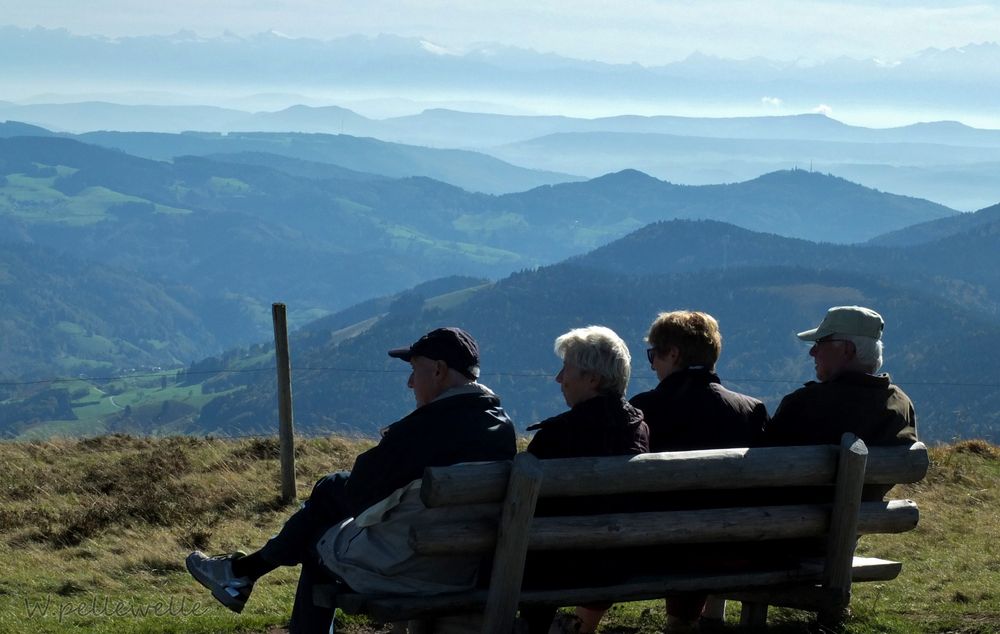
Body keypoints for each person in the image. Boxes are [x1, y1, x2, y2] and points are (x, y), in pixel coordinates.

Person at [186, 327, 516, 633]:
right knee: (329, 503)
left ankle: (241, 574)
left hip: (411, 569)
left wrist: (333, 487)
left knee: (320, 535)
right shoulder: (502, 427)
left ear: (439, 371)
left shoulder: (422, 430)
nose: (410, 383)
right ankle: (241, 574)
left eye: (414, 370)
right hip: (466, 570)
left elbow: (359, 494)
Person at [519, 325, 649, 634]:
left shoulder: (556, 438)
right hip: (622, 562)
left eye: (566, 369)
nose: (559, 378)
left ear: (593, 379)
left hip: (560, 566)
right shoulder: (639, 430)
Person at [764, 305, 917, 448]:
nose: (812, 352)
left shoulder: (803, 404)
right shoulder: (901, 404)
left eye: (820, 342)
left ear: (847, 350)